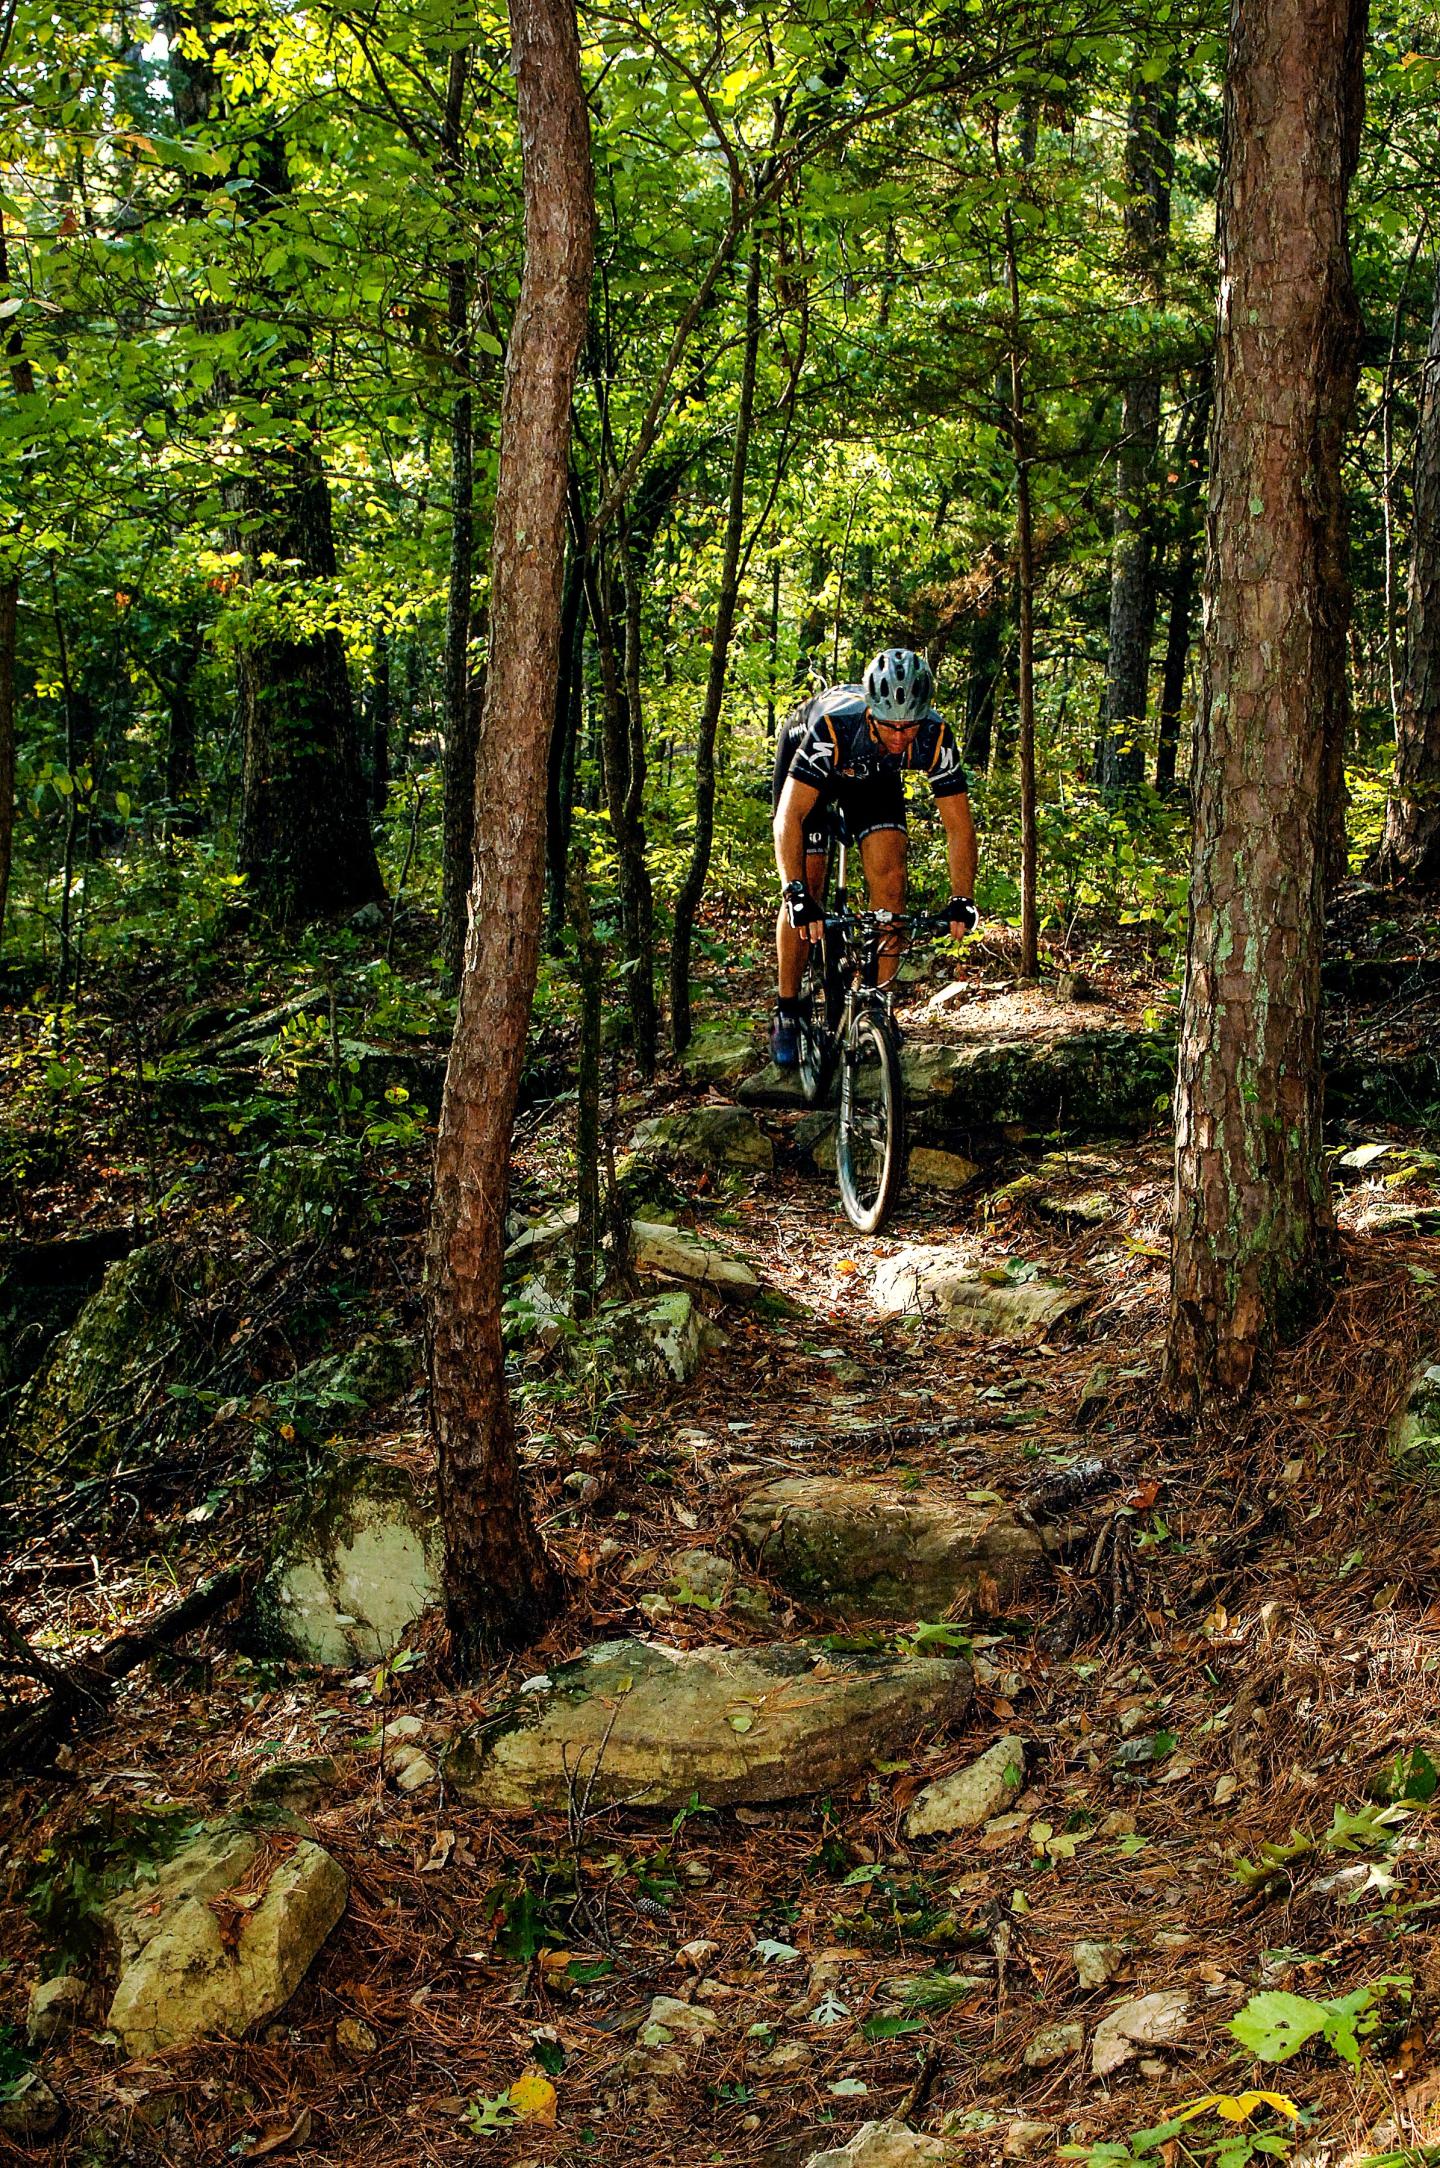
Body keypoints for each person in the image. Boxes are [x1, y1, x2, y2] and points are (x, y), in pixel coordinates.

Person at [769, 647, 978, 1067]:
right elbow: (788, 817)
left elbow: (959, 827)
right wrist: (793, 893)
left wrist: (962, 896)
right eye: (890, 726)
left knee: (891, 881)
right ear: (871, 714)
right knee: (807, 884)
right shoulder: (834, 727)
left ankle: (878, 1009)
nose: (901, 737)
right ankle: (788, 1009)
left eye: (909, 727)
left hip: (874, 773)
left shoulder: (935, 736)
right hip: (814, 766)